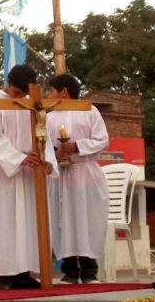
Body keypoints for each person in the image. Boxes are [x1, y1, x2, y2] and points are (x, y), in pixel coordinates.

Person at [0, 64, 57, 290]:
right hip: (7, 170)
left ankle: (26, 271)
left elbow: (43, 132)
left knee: (30, 221)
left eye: (25, 93)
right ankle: (7, 274)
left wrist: (47, 160)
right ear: (9, 84)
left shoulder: (32, 104)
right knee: (6, 220)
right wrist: (17, 158)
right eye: (17, 93)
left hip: (30, 170)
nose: (21, 97)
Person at [46, 73, 109, 284]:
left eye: (51, 91)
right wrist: (55, 152)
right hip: (61, 176)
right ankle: (69, 270)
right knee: (63, 220)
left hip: (85, 173)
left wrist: (76, 147)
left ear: (64, 91)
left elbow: (101, 139)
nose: (49, 95)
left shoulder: (89, 111)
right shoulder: (50, 116)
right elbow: (44, 143)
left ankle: (90, 271)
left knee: (86, 220)